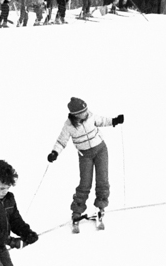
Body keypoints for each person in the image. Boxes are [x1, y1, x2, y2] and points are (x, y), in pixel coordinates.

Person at [46, 97, 124, 232]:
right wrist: (54, 153)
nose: (86, 112)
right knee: (85, 183)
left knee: (103, 180)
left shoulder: (91, 116)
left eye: (86, 109)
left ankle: (101, 206)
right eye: (83, 111)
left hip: (101, 150)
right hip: (85, 155)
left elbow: (102, 120)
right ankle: (77, 211)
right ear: (75, 114)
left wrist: (114, 120)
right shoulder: (69, 126)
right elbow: (61, 141)